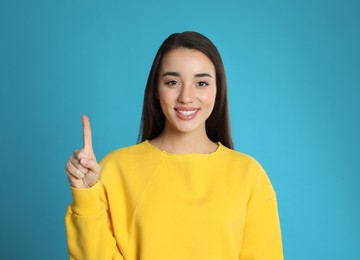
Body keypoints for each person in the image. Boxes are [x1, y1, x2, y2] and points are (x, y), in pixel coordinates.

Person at [65, 31, 283, 259]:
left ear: (217, 90)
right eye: (172, 82)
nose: (186, 97)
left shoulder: (248, 175)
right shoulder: (115, 168)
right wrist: (85, 194)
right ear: (156, 91)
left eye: (201, 82)